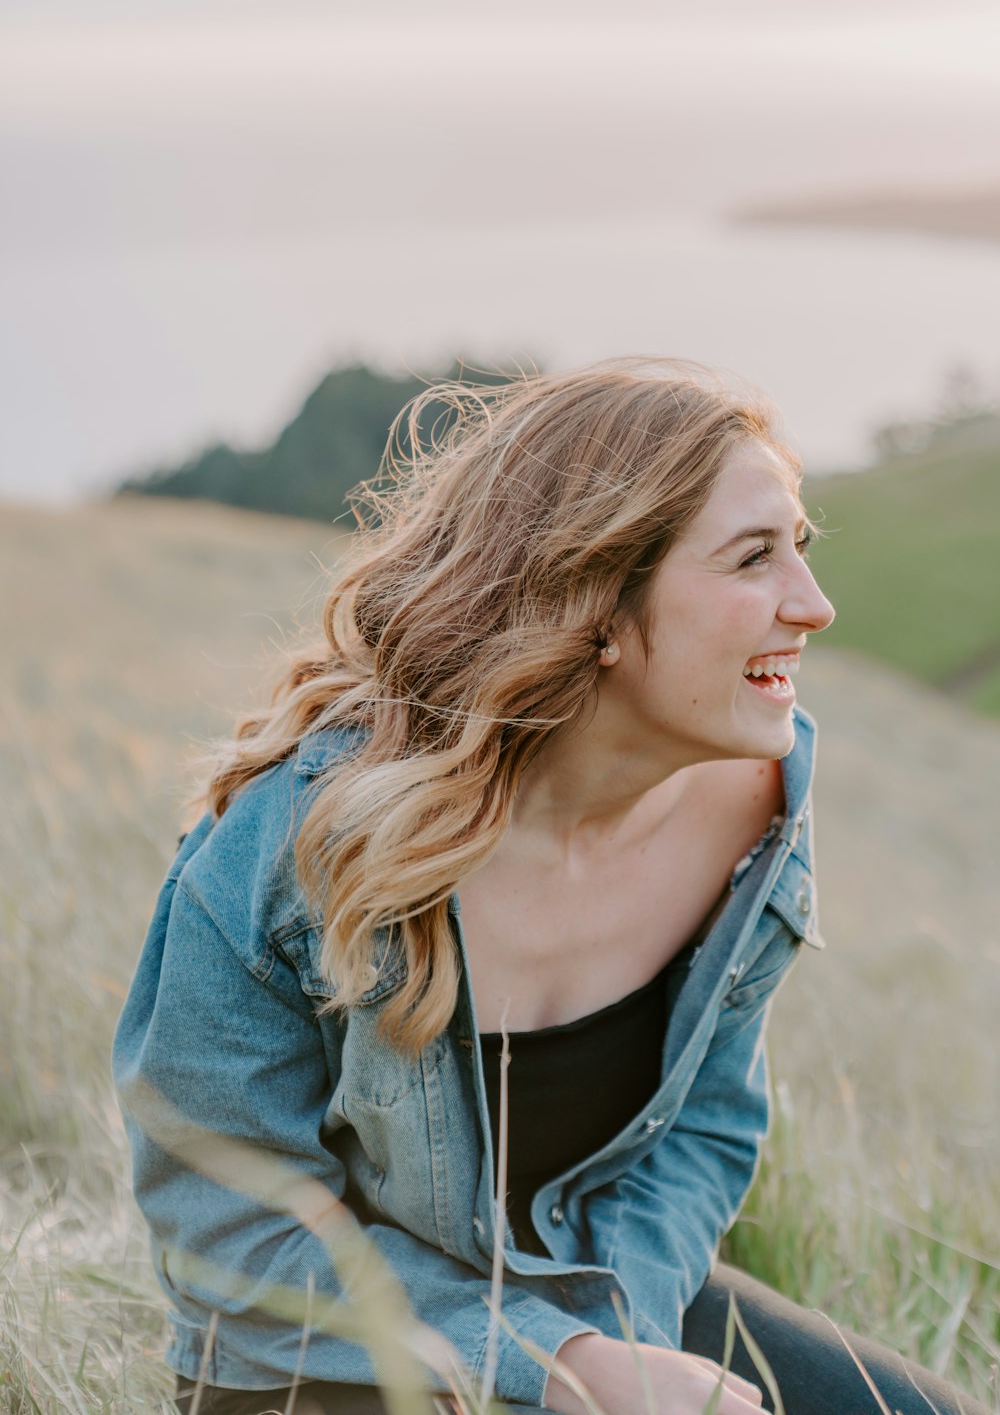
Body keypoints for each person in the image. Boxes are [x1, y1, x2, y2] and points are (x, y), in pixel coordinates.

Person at [114, 360, 987, 1415]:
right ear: (596, 607)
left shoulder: (765, 801)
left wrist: (620, 1343)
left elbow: (703, 1127)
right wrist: (559, 1364)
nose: (815, 603)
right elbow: (228, 1233)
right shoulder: (297, 838)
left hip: (604, 1300)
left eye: (799, 547)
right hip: (329, 1358)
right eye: (752, 556)